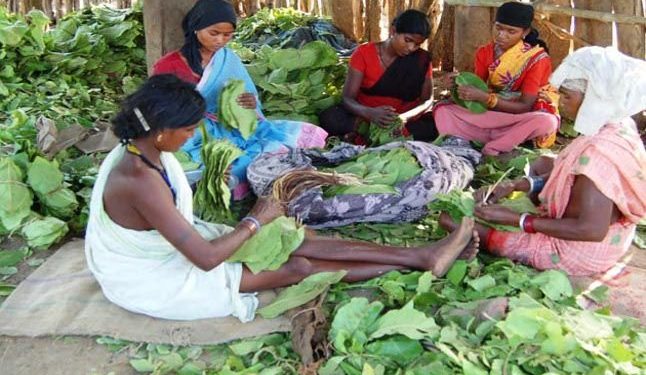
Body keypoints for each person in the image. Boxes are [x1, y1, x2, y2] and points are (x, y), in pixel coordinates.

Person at [85, 75, 478, 322]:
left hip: (181, 245)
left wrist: (261, 222)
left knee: (300, 239)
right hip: (159, 279)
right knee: (299, 266)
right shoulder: (138, 179)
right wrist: (257, 217)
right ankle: (416, 262)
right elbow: (204, 259)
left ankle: (423, 256)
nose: (190, 137)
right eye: (187, 130)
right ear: (161, 130)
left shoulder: (145, 150)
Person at [440, 46, 646, 277]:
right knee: (545, 162)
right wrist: (516, 186)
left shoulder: (600, 156)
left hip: (580, 251)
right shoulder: (618, 124)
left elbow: (591, 229)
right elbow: (571, 174)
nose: (561, 102)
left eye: (567, 96)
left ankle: (492, 237)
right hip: (613, 239)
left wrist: (520, 220)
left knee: (450, 220)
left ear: (595, 100)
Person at [152, 0, 327, 199]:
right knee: (223, 164)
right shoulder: (169, 65)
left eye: (227, 35)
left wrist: (250, 104)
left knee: (293, 135)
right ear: (196, 28)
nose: (220, 41)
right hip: (192, 132)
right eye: (214, 33)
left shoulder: (228, 59)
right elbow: (160, 110)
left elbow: (249, 95)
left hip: (231, 127)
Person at [434, 1, 559, 156]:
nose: (501, 35)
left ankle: (493, 146)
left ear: (525, 32)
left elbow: (526, 105)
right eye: (498, 28)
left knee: (547, 122)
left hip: (521, 115)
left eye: (511, 31)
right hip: (493, 115)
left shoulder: (537, 59)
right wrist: (456, 85)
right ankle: (505, 139)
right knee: (443, 110)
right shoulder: (484, 52)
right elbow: (477, 90)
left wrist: (486, 99)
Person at [318, 9, 438, 144]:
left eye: (417, 44)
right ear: (393, 31)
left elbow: (427, 100)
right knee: (330, 117)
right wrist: (370, 113)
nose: (411, 48)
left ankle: (367, 136)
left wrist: (404, 118)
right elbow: (347, 98)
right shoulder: (364, 53)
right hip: (365, 117)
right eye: (408, 40)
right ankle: (370, 132)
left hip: (403, 122)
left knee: (436, 125)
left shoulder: (422, 59)